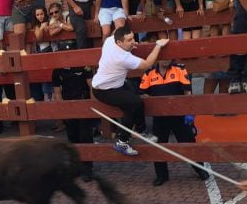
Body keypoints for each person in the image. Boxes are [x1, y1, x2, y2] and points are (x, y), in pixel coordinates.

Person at [91, 26, 168, 156]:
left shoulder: (110, 41)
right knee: (135, 103)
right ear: (119, 42)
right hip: (104, 90)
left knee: (134, 103)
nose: (133, 41)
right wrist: (158, 45)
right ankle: (123, 141)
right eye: (129, 40)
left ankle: (141, 131)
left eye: (133, 37)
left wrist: (129, 46)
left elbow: (116, 31)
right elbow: (147, 64)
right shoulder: (122, 57)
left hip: (115, 85)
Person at [139, 59, 209, 185]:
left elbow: (187, 93)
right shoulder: (149, 73)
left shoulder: (180, 69)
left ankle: (200, 169)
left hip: (178, 115)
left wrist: (189, 112)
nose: (166, 60)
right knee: (158, 145)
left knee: (189, 143)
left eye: (168, 57)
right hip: (159, 117)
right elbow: (142, 93)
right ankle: (161, 176)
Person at [51, 44, 96, 180]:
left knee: (85, 136)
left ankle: (88, 169)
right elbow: (57, 92)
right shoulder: (57, 70)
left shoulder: (83, 65)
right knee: (72, 137)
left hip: (83, 103)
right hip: (68, 104)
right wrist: (63, 112)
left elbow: (91, 86)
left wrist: (92, 105)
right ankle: (76, 167)